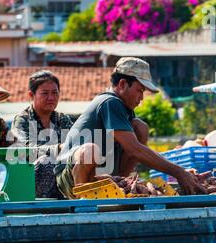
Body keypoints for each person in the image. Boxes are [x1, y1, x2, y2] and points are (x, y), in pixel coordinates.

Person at [54, 57, 202, 199]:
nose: (141, 98)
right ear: (123, 84)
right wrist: (178, 172)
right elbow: (134, 149)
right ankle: (83, 199)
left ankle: (122, 184)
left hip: (102, 172)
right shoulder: (110, 102)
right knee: (90, 150)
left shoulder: (126, 110)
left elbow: (137, 148)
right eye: (140, 90)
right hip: (69, 177)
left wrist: (180, 171)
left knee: (140, 128)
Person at [12, 70, 73, 198]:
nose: (51, 98)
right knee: (46, 162)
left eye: (55, 93)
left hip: (62, 176)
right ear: (31, 94)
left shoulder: (63, 119)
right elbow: (27, 149)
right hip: (30, 178)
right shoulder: (22, 120)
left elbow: (74, 143)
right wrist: (58, 148)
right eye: (45, 93)